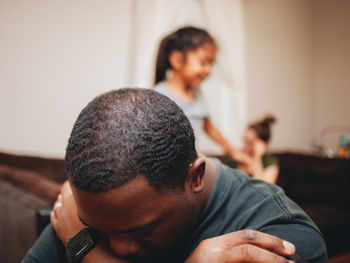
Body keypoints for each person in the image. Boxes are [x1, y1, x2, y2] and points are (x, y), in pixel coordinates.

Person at [22, 88, 327, 263]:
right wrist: (86, 237)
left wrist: (87, 250)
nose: (119, 248)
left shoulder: (280, 231)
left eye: (142, 231)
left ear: (195, 177)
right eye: (99, 232)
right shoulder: (97, 213)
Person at [154, 26, 252, 171]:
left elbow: (209, 127)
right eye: (203, 62)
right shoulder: (159, 95)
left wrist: (234, 152)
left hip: (191, 166)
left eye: (211, 64)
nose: (208, 70)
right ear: (177, 60)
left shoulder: (198, 94)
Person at [225, 115, 279, 184]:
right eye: (244, 140)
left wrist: (257, 157)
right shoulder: (236, 159)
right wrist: (240, 169)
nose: (244, 147)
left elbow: (264, 192)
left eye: (249, 142)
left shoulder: (270, 162)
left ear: (263, 144)